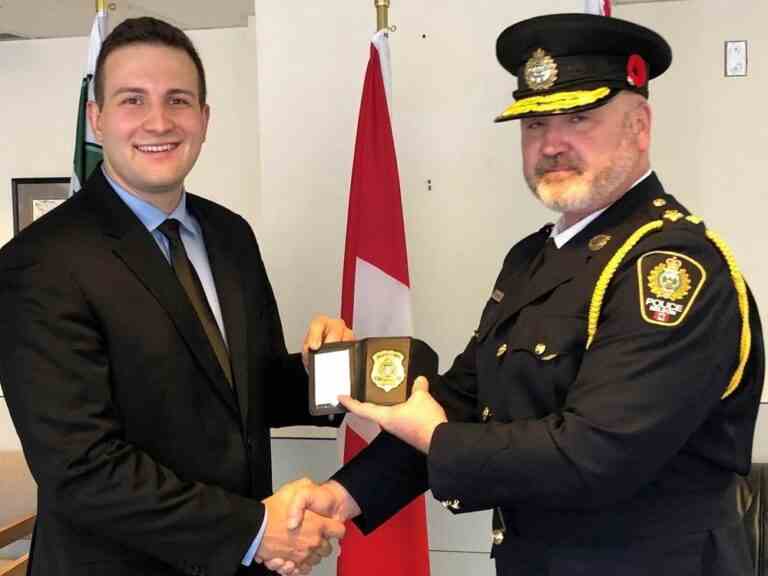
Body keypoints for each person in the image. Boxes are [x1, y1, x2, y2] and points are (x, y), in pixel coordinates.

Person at [284, 13, 766, 576]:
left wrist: (431, 435)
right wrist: (343, 497)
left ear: (639, 126)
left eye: (580, 118)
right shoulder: (533, 257)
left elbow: (596, 455)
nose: (552, 144)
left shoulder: (671, 268)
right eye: (534, 125)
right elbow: (465, 397)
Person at [0, 17, 350, 576]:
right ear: (97, 118)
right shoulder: (40, 261)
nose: (158, 121)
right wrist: (256, 531)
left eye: (179, 100)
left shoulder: (231, 236)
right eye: (132, 99)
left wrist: (335, 372)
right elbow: (82, 467)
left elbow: (249, 388)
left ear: (205, 119)